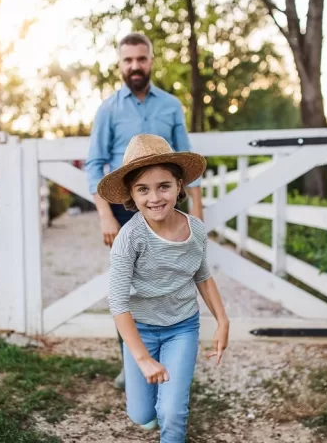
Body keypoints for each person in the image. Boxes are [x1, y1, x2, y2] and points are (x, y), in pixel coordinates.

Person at [85, 32, 205, 389]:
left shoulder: (170, 105)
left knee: (173, 281)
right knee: (129, 287)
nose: (135, 66)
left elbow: (186, 161)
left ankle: (172, 356)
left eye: (141, 59)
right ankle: (132, 360)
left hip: (168, 204)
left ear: (151, 61)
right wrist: (105, 215)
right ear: (120, 64)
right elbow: (94, 163)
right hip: (124, 209)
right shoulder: (108, 109)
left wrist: (196, 212)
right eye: (128, 60)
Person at [96, 134, 229, 441]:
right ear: (131, 193)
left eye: (163, 186)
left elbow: (202, 275)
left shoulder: (194, 228)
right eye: (143, 189)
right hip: (141, 329)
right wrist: (141, 357)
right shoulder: (130, 238)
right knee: (142, 414)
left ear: (179, 185)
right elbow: (117, 301)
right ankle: (143, 389)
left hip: (182, 327)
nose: (154, 197)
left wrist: (222, 320)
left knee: (172, 411)